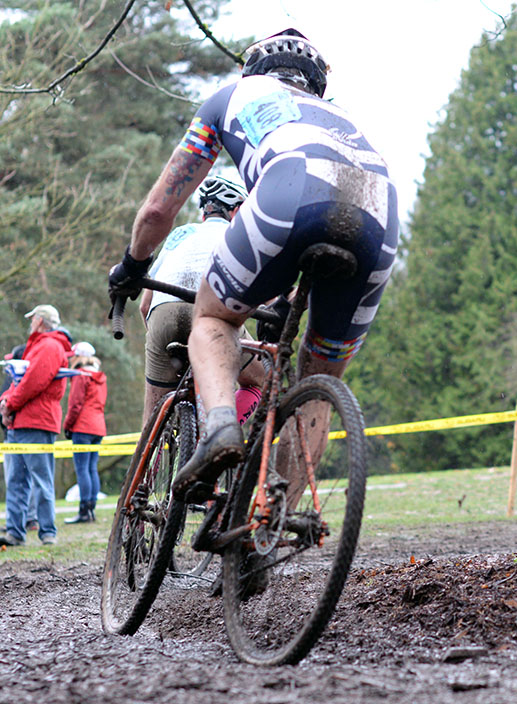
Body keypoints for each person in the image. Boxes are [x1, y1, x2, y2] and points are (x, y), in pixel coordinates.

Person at [109, 28, 398, 503]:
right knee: (318, 381)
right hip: (379, 217)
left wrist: (131, 263)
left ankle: (220, 430)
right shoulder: (340, 118)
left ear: (254, 70)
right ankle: (272, 517)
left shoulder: (231, 96)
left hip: (293, 189)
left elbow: (160, 210)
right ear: (314, 84)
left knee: (214, 319)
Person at [137, 175, 267, 426]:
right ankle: (209, 439)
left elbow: (144, 306)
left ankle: (145, 461)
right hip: (211, 316)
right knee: (261, 380)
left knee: (152, 417)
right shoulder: (238, 234)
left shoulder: (180, 235)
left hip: (161, 316)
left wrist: (161, 340)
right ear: (237, 209)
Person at [0, 304, 72, 546]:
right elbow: (19, 381)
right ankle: (15, 532)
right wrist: (6, 402)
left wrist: (10, 404)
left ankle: (47, 532)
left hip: (36, 422)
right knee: (16, 481)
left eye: (32, 319)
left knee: (41, 480)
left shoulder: (49, 346)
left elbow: (32, 382)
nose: (30, 323)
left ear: (40, 321)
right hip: (22, 422)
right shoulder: (39, 346)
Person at [63, 342, 107, 524]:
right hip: (98, 427)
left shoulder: (81, 376)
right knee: (91, 468)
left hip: (82, 427)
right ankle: (91, 509)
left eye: (73, 355)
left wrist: (67, 425)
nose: (71, 359)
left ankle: (83, 511)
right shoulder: (100, 377)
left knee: (82, 469)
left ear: (79, 356)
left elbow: (75, 405)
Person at [1, 344, 40, 532]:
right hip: (14, 432)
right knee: (20, 480)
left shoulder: (18, 376)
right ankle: (19, 523)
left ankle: (29, 519)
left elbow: (11, 399)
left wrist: (6, 411)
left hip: (18, 432)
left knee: (22, 479)